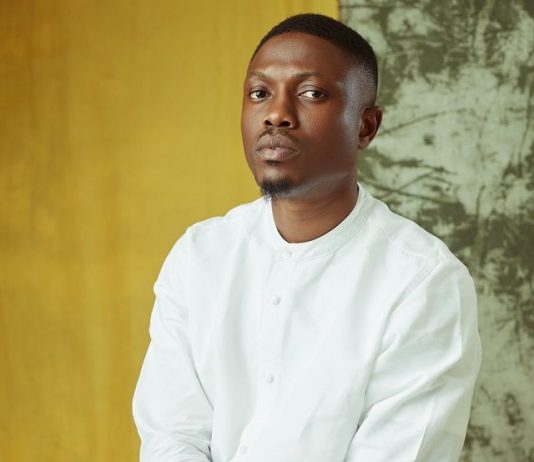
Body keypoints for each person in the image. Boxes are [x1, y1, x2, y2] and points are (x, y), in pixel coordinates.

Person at [132, 13, 481, 462]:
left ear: (366, 126)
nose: (276, 114)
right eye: (259, 93)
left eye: (311, 93)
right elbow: (170, 435)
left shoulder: (424, 284)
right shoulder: (199, 256)